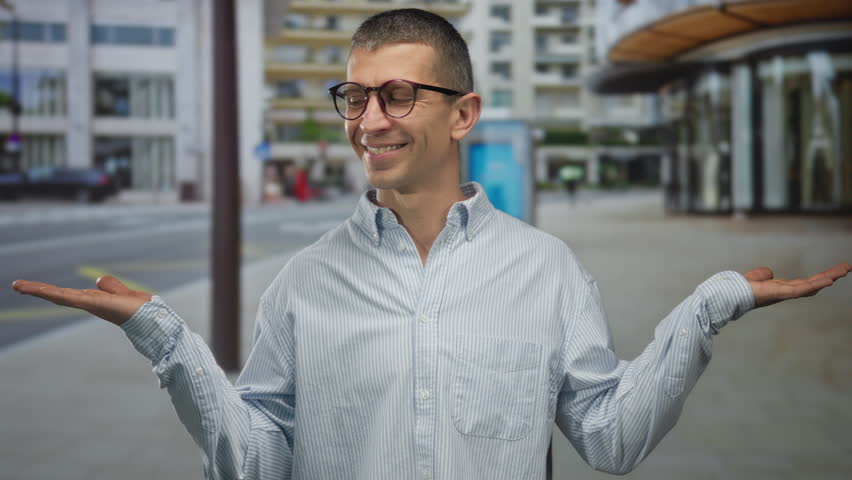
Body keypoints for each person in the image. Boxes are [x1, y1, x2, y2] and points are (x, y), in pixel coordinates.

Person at [10, 9, 850, 480]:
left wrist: (706, 309)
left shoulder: (546, 268)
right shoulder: (304, 281)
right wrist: (166, 339)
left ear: (463, 114)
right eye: (355, 97)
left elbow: (611, 437)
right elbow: (258, 460)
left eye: (398, 95)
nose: (368, 120)